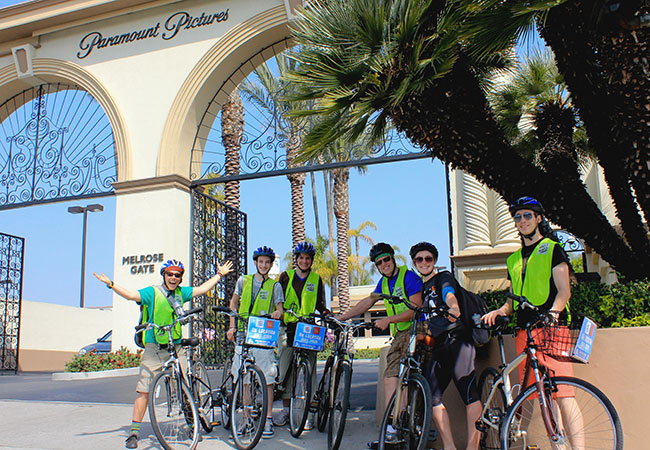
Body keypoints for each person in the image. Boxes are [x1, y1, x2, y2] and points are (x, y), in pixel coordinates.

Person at [94, 258, 233, 449]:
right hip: (154, 348)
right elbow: (131, 295)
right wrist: (111, 284)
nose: (174, 278)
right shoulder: (152, 292)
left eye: (177, 275)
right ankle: (134, 432)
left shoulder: (181, 293)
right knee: (143, 390)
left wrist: (219, 275)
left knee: (186, 386)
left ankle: (193, 420)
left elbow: (201, 289)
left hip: (175, 345)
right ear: (164, 275)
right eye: (170, 274)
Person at [482, 197, 584, 447]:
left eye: (527, 215)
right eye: (517, 217)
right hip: (524, 332)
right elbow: (511, 300)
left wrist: (554, 313)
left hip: (551, 329)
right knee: (543, 396)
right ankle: (558, 446)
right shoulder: (513, 259)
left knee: (564, 394)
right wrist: (499, 311)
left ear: (539, 218)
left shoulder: (552, 248)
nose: (522, 221)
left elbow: (564, 292)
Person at [335, 242, 422, 440]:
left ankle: (400, 421)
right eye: (379, 263)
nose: (384, 264)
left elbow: (415, 309)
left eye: (386, 259)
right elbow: (368, 302)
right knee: (391, 375)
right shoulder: (383, 283)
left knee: (401, 374)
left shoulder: (408, 277)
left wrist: (388, 320)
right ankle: (396, 420)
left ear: (393, 258)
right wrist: (343, 317)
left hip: (416, 329)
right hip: (400, 334)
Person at [409, 241, 481, 450]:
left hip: (458, 340)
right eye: (419, 259)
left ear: (434, 261)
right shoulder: (421, 289)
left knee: (469, 393)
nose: (424, 262)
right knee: (431, 395)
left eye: (428, 258)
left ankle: (472, 447)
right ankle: (449, 446)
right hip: (439, 346)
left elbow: (449, 293)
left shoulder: (443, 277)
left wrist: (453, 306)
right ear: (414, 262)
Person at [226, 246, 284, 439]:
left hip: (263, 333)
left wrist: (277, 313)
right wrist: (232, 325)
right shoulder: (244, 280)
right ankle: (246, 417)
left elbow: (280, 308)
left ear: (270, 264)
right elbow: (233, 303)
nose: (264, 265)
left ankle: (267, 419)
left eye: (267, 262)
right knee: (244, 378)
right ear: (255, 263)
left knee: (267, 378)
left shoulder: (275, 285)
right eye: (261, 262)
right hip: (243, 331)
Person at [273, 241, 331, 430]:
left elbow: (320, 304)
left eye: (307, 258)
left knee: (310, 370)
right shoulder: (285, 276)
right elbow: (277, 301)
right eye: (301, 258)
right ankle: (286, 409)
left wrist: (327, 314)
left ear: (311, 261)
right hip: (288, 327)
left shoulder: (316, 279)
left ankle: (309, 411)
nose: (304, 261)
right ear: (296, 259)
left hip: (307, 329)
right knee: (285, 369)